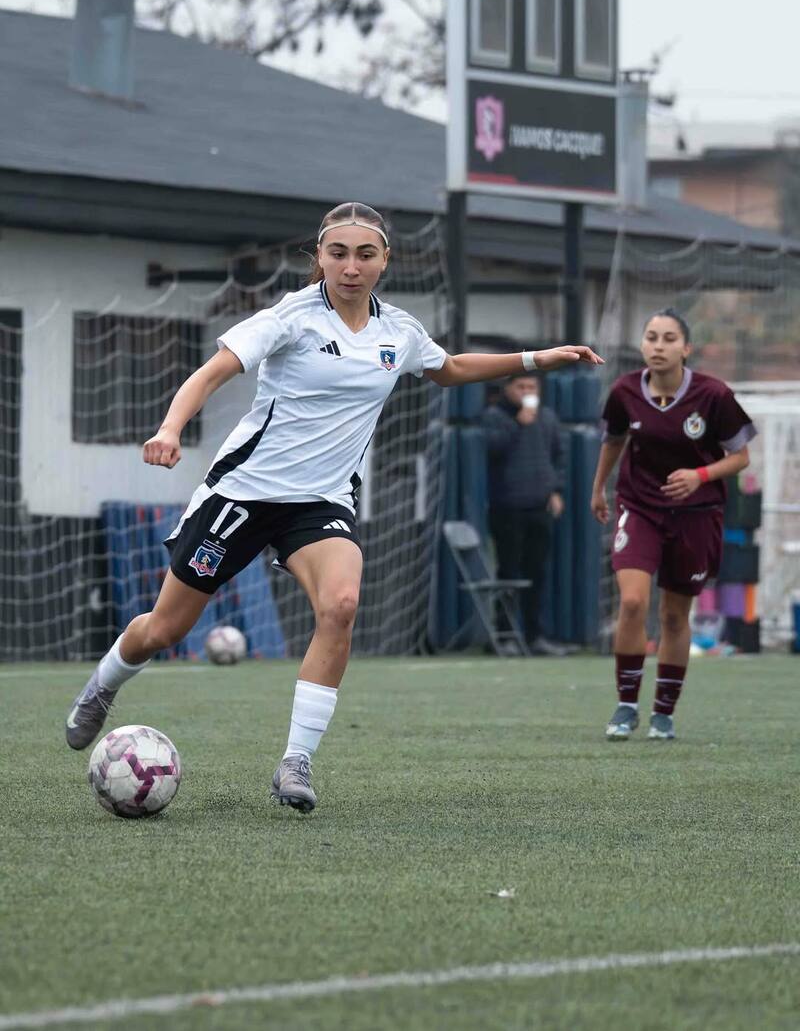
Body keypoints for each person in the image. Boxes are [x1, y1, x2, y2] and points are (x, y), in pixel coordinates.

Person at [65, 201, 603, 814]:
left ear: (385, 261)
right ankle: (103, 685)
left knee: (341, 605)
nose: (351, 266)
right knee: (165, 629)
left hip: (320, 503)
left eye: (365, 254)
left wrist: (539, 358)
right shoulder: (290, 318)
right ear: (318, 257)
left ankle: (295, 762)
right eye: (338, 253)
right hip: (243, 495)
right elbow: (213, 371)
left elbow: (448, 367)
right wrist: (169, 429)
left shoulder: (397, 331)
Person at [590, 308, 755, 741]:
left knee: (675, 616)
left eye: (668, 339)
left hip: (697, 515)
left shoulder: (714, 395)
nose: (658, 346)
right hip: (640, 507)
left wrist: (698, 476)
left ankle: (663, 713)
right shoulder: (625, 391)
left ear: (686, 348)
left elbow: (740, 456)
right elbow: (613, 441)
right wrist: (598, 489)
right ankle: (626, 706)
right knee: (632, 603)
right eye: (651, 337)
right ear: (642, 345)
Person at [482, 374, 568, 656]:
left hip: (539, 506)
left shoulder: (548, 418)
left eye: (531, 387)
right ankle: (505, 635)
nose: (526, 392)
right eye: (520, 387)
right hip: (507, 507)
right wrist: (518, 424)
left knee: (538, 573)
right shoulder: (495, 417)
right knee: (508, 572)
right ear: (507, 389)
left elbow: (558, 457)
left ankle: (535, 636)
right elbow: (492, 450)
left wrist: (555, 490)